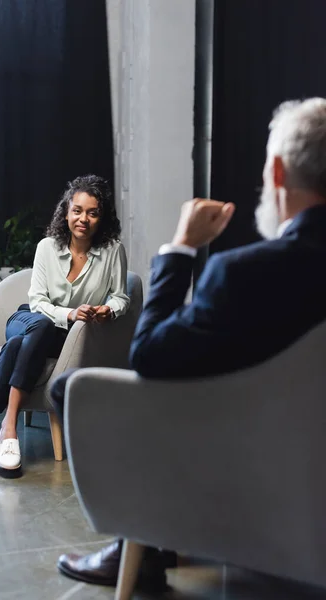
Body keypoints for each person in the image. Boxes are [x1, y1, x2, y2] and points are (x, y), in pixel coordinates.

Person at [54, 98, 326, 589]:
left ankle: (139, 540)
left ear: (279, 171)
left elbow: (152, 357)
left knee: (70, 388)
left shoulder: (246, 273)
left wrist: (178, 249)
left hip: (246, 458)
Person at [0, 174, 130, 477]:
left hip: (63, 338)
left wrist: (107, 310)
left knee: (19, 347)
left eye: (92, 212)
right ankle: (9, 427)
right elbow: (37, 302)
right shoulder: (48, 246)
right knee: (37, 328)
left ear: (103, 217)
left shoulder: (113, 251)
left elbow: (121, 297)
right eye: (77, 210)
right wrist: (71, 314)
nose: (83, 218)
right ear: (66, 212)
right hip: (27, 320)